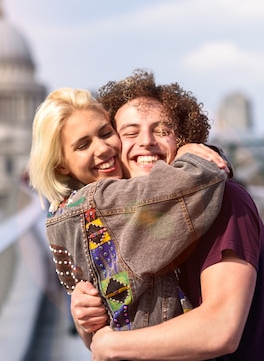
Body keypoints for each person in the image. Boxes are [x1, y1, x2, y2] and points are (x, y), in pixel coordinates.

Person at [71, 69, 264, 360]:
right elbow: (119, 330)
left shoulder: (226, 201)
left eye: (163, 130)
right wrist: (86, 318)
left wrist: (110, 345)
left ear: (184, 139)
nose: (146, 141)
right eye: (130, 132)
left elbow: (220, 330)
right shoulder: (121, 219)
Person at [28, 87, 229, 345]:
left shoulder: (61, 213)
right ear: (61, 164)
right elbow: (200, 180)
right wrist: (191, 151)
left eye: (105, 133)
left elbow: (96, 333)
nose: (102, 149)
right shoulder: (107, 200)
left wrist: (82, 318)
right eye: (83, 145)